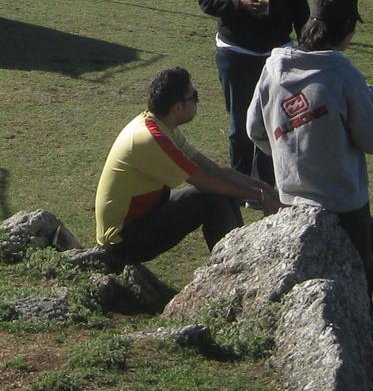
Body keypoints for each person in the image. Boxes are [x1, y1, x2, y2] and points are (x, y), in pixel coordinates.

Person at [248, 0, 373, 346]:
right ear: (347, 28)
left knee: (372, 241)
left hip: (290, 198)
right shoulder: (343, 73)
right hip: (342, 201)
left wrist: (288, 156)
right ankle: (365, 344)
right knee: (358, 272)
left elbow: (255, 129)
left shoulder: (273, 67)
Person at [94, 66, 280, 265]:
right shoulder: (151, 138)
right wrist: (259, 196)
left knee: (224, 192)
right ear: (178, 108)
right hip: (122, 240)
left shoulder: (159, 125)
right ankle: (237, 267)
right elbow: (204, 182)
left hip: (141, 220)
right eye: (194, 96)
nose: (198, 101)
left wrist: (264, 188)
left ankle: (242, 258)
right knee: (212, 199)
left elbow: (214, 169)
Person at [198, 0, 308, 183]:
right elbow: (205, 0)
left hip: (278, 55)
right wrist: (239, 3)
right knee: (239, 125)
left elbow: (298, 0)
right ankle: (239, 183)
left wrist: (304, 40)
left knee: (276, 121)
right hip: (236, 53)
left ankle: (264, 186)